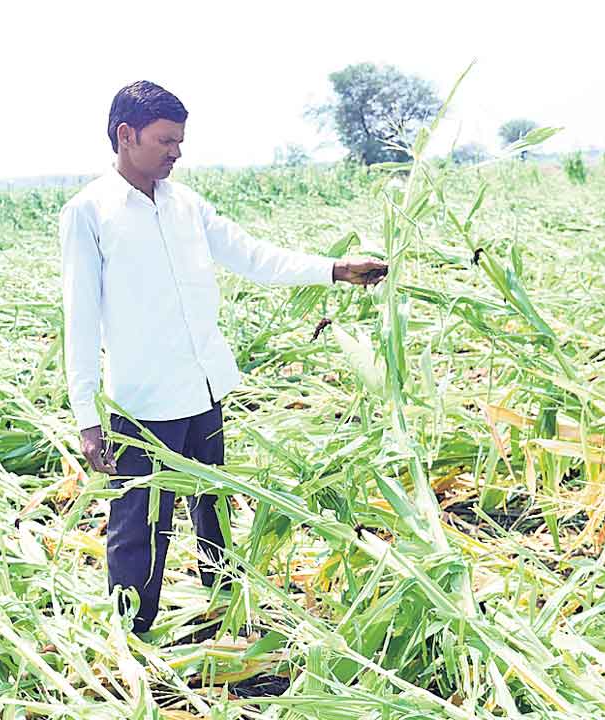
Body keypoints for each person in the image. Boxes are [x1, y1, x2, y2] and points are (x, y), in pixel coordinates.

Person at [60, 80, 387, 634]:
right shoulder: (89, 212)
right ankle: (131, 633)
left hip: (203, 386)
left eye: (180, 141)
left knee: (214, 503)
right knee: (141, 522)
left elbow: (253, 256)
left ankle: (225, 606)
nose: (176, 152)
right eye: (166, 140)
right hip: (142, 402)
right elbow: (80, 319)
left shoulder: (186, 205)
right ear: (126, 135)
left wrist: (334, 269)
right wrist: (88, 418)